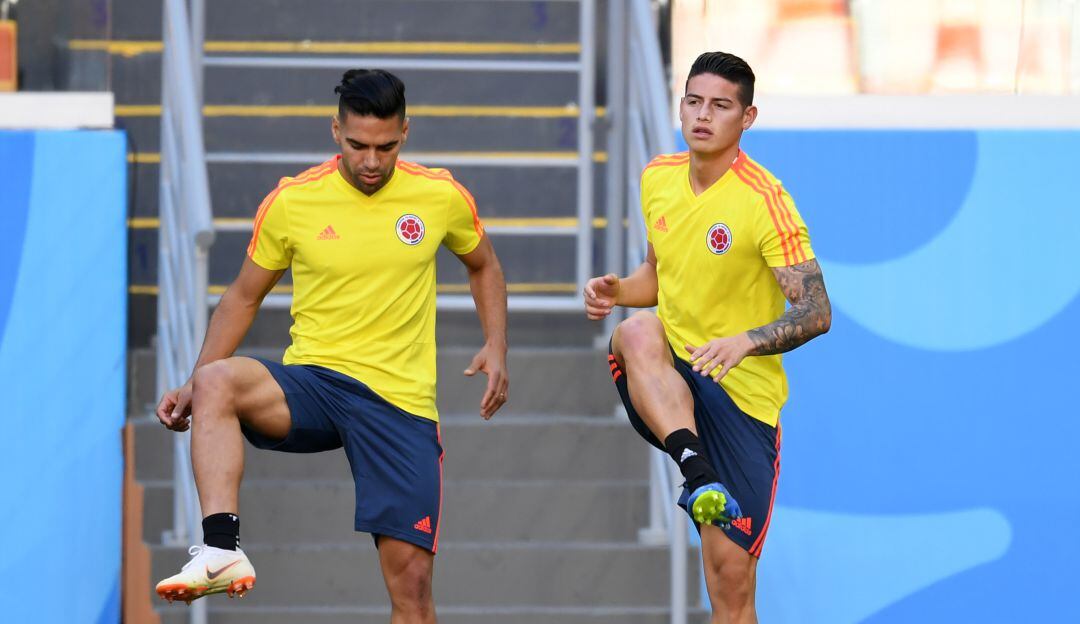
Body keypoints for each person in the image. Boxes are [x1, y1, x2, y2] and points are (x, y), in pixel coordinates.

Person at [153, 69, 509, 623]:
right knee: (217, 379)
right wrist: (193, 380)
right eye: (358, 145)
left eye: (386, 146)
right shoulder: (293, 201)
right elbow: (242, 299)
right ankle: (222, 550)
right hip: (314, 383)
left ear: (405, 133)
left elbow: (484, 265)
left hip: (399, 403)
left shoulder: (440, 195)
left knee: (412, 591)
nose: (372, 161)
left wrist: (496, 345)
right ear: (335, 132)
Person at [584, 51, 831, 623]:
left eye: (720, 106)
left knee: (731, 583)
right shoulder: (658, 178)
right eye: (693, 101)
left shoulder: (765, 201)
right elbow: (657, 278)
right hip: (671, 377)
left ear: (746, 118)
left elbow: (816, 310)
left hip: (740, 396)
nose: (702, 115)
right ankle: (696, 471)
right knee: (637, 329)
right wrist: (617, 289)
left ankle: (705, 477)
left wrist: (744, 341)